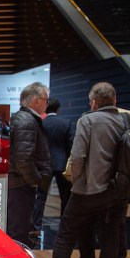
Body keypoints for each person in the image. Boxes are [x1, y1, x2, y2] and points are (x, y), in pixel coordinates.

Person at [46, 82, 127, 258]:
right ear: (115, 100)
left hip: (87, 189)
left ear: (93, 102)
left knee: (65, 236)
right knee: (110, 239)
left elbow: (79, 155)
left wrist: (77, 180)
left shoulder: (88, 120)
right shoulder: (125, 121)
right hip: (115, 192)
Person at [7, 82, 51, 246]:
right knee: (19, 232)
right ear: (36, 100)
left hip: (18, 183)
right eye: (46, 99)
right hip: (21, 184)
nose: (47, 103)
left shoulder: (21, 118)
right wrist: (34, 179)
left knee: (17, 229)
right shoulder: (27, 121)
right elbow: (23, 158)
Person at [31, 97, 72, 233]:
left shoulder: (41, 123)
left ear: (46, 107)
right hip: (62, 165)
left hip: (45, 164)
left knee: (41, 197)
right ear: (58, 109)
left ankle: (36, 226)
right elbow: (70, 145)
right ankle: (65, 225)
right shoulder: (66, 123)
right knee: (65, 197)